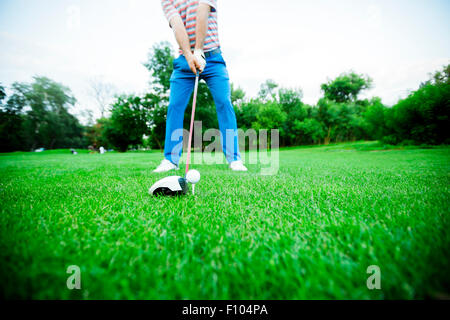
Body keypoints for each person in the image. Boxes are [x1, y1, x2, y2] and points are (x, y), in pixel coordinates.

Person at [154, 0, 247, 173]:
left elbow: (202, 12)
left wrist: (198, 50)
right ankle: (171, 159)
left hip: (213, 57)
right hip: (184, 60)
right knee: (175, 105)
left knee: (224, 103)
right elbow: (177, 24)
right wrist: (190, 56)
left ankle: (234, 159)